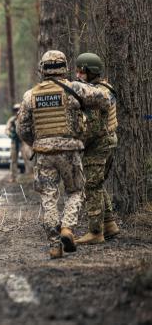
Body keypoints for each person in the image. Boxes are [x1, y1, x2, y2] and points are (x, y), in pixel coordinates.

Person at [16, 50, 110, 259]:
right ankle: (67, 228)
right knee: (75, 191)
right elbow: (104, 99)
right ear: (64, 67)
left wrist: (38, 143)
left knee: (48, 197)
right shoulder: (75, 89)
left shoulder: (30, 95)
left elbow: (22, 129)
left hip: (44, 154)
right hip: (70, 151)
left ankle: (54, 245)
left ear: (42, 69)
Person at [73, 53, 120, 244]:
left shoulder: (96, 94)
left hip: (98, 144)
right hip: (108, 141)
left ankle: (95, 232)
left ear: (91, 72)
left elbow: (93, 127)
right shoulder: (105, 88)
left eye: (81, 71)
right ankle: (109, 224)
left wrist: (78, 143)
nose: (78, 75)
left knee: (91, 186)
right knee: (97, 184)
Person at [5, 103, 21, 182]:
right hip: (15, 141)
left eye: (18, 109)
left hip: (24, 142)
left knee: (28, 159)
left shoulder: (24, 118)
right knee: (13, 160)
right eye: (15, 110)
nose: (17, 111)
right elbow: (6, 130)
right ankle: (13, 177)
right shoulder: (12, 120)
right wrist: (11, 135)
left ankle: (29, 175)